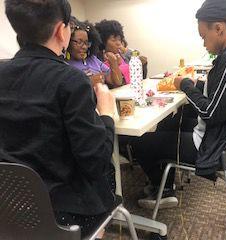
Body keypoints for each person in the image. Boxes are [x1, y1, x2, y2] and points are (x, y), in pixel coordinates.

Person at [132, 0, 226, 209]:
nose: (204, 43)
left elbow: (210, 112)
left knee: (140, 142)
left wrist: (186, 85)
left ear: (219, 28)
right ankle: (164, 184)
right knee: (175, 120)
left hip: (214, 145)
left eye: (204, 36)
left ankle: (164, 189)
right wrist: (200, 85)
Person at [1, 0, 116, 238]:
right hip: (64, 214)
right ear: (60, 31)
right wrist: (106, 115)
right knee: (108, 172)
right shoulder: (71, 81)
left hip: (9, 207)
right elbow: (95, 162)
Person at [67, 17, 123, 88]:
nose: (84, 47)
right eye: (79, 42)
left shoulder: (92, 59)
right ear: (68, 41)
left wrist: (113, 62)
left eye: (86, 43)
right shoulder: (65, 64)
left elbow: (117, 82)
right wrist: (88, 82)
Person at [95, 20, 130, 85]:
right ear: (103, 42)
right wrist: (113, 61)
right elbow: (116, 83)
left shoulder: (122, 55)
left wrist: (126, 51)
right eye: (114, 40)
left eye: (119, 39)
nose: (118, 43)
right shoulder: (99, 60)